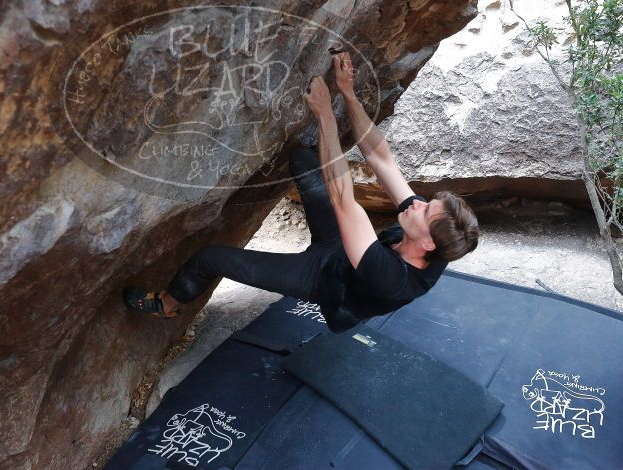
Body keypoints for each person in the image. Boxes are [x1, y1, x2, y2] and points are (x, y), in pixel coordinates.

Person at [124, 52, 479, 333]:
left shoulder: (393, 280)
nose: (417, 204)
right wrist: (348, 93)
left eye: (424, 212)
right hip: (343, 248)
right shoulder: (438, 234)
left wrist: (325, 114)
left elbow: (344, 199)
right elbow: (381, 158)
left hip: (325, 281)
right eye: (427, 203)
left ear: (428, 244)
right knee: (305, 160)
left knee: (209, 258)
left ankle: (168, 304)